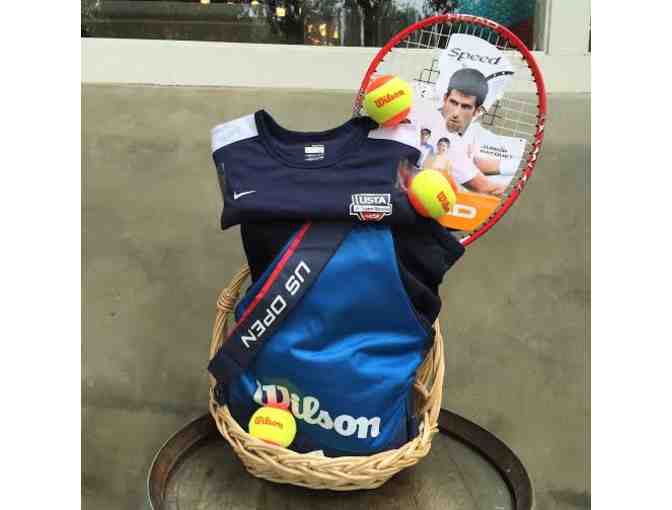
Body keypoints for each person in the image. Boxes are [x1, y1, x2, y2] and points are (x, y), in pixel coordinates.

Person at [439, 69, 516, 192]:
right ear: (444, 98)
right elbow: (483, 186)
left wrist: (514, 165)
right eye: (453, 103)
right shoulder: (430, 126)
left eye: (465, 107)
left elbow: (473, 162)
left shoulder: (472, 133)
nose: (456, 113)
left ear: (477, 111)